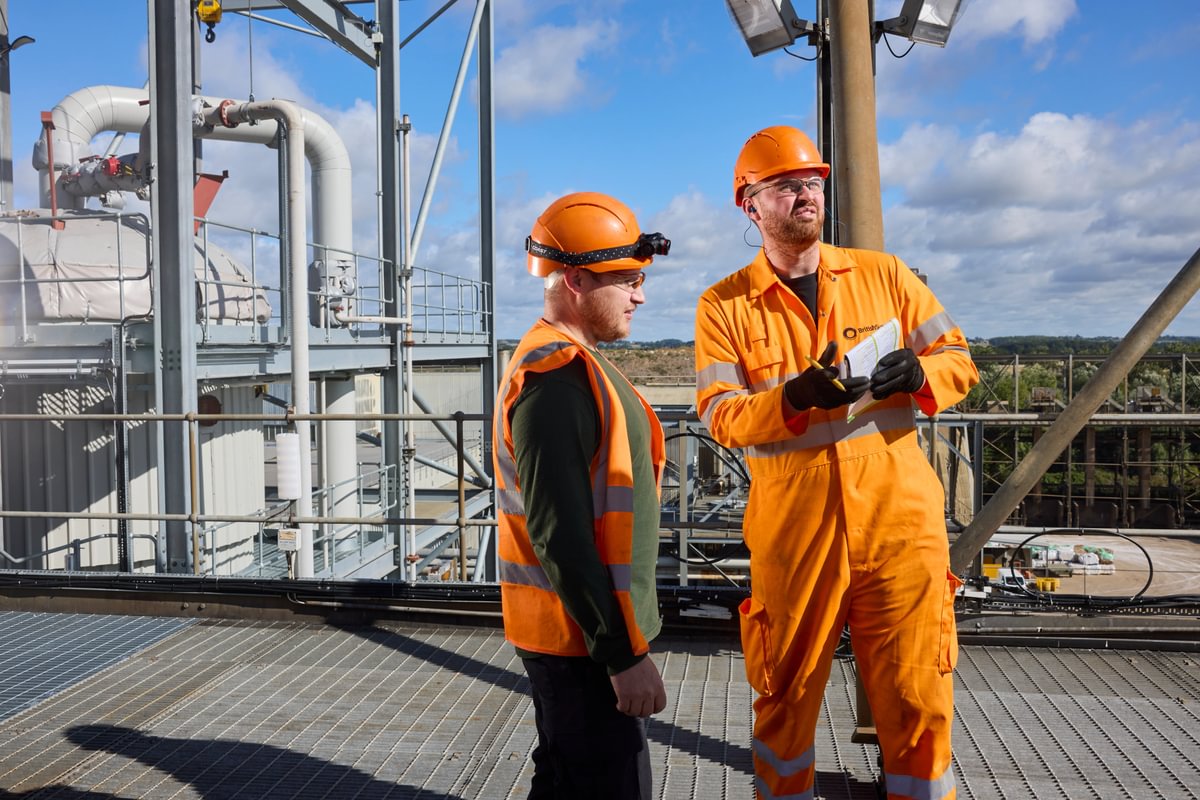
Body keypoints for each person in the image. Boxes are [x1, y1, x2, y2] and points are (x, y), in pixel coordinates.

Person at [694, 125, 979, 800]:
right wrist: (789, 399)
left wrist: (919, 372)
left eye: (813, 183)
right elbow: (719, 415)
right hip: (796, 541)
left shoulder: (884, 275)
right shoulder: (724, 305)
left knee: (917, 695)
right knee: (785, 700)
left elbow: (959, 360)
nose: (806, 194)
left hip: (899, 530)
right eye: (786, 185)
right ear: (749, 205)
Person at [493, 191, 672, 799]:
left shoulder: (582, 364)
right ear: (574, 278)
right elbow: (559, 534)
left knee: (574, 779)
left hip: (586, 634)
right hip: (579, 642)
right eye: (625, 279)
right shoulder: (557, 382)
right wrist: (621, 656)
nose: (639, 295)